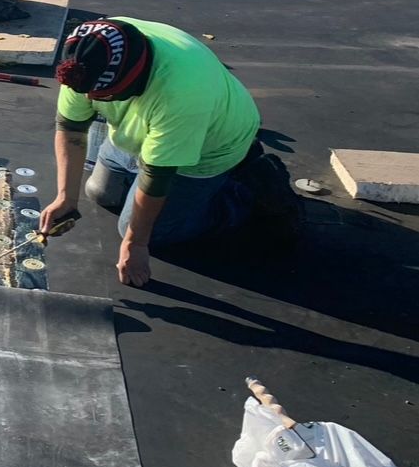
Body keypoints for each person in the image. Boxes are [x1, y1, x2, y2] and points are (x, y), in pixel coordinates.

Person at [38, 17, 298, 287]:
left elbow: (156, 175)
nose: (91, 101)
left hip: (207, 146)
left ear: (132, 80)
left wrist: (135, 243)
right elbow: (71, 130)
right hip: (140, 128)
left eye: (105, 96)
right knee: (101, 192)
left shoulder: (182, 91)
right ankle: (148, 172)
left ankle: (244, 191)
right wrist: (65, 198)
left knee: (149, 232)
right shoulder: (89, 54)